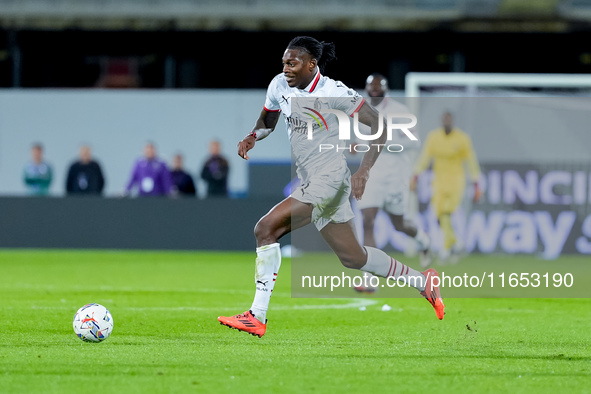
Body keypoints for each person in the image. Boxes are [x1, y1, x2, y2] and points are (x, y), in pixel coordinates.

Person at [218, 36, 444, 338]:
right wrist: (252, 136)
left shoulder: (334, 92)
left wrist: (364, 171)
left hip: (330, 179)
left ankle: (256, 315)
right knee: (354, 257)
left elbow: (380, 127)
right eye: (284, 62)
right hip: (311, 178)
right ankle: (422, 282)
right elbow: (267, 120)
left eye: (293, 62)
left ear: (312, 65)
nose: (286, 68)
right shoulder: (279, 85)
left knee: (265, 229)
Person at [353, 74, 432, 292]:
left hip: (396, 174)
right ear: (367, 88)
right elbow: (361, 141)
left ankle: (423, 240)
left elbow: (414, 141)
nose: (375, 90)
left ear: (386, 89)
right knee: (367, 221)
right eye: (371, 86)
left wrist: (383, 140)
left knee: (399, 224)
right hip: (372, 174)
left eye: (379, 86)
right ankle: (370, 279)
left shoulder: (400, 111)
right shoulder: (360, 110)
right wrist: (356, 145)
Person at [412, 111, 482, 262]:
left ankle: (446, 248)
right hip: (439, 181)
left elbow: (471, 160)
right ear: (441, 121)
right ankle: (455, 243)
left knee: (446, 213)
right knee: (439, 214)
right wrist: (416, 174)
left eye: (449, 119)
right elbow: (425, 157)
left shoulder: (462, 138)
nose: (447, 121)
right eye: (444, 119)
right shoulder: (434, 137)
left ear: (452, 121)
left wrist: (476, 182)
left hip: (457, 180)